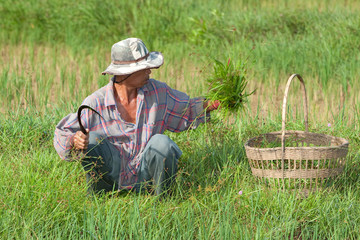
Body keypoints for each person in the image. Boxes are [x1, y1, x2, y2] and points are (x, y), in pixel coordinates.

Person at [54, 38, 219, 195]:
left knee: (162, 143)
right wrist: (74, 140)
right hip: (110, 177)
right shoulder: (96, 102)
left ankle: (163, 198)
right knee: (91, 140)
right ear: (126, 73)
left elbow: (187, 109)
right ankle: (101, 195)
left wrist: (213, 104)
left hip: (146, 175)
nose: (149, 71)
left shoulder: (158, 92)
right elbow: (63, 133)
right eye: (144, 68)